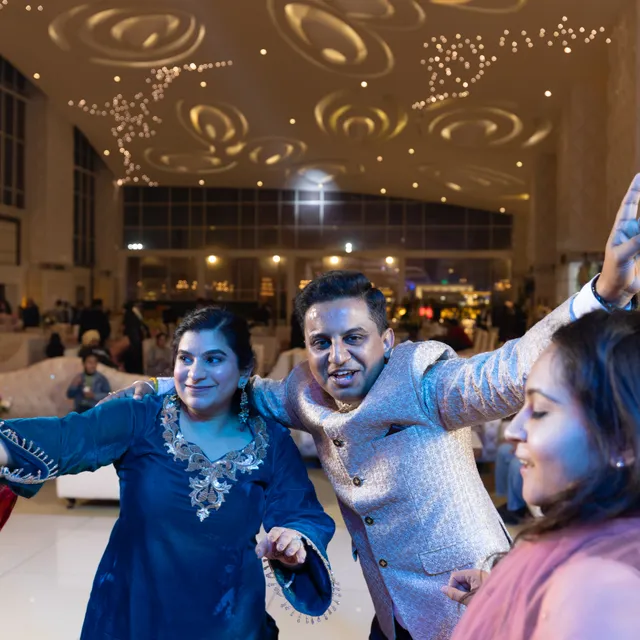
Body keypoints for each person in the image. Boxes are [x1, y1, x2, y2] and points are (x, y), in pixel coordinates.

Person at [106, 176, 640, 640]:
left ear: (386, 341)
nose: (337, 357)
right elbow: (244, 390)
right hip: (390, 612)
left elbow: (506, 370)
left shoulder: (424, 381)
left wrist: (604, 292)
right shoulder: (304, 393)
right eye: (321, 343)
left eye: (354, 338)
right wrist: (157, 387)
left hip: (468, 604)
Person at [0, 307, 335, 639]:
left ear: (244, 371)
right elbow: (65, 437)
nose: (194, 374)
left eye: (213, 359)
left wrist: (294, 540)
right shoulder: (140, 417)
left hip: (229, 621)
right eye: (185, 359)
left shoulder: (271, 440)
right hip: (135, 615)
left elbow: (300, 511)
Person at [443, 310, 640, 639]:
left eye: (541, 411)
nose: (513, 431)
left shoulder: (597, 592)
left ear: (621, 441)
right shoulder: (584, 540)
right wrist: (501, 597)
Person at [122, 301, 149, 373]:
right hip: (134, 342)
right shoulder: (133, 314)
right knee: (135, 361)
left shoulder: (130, 314)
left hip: (133, 341)